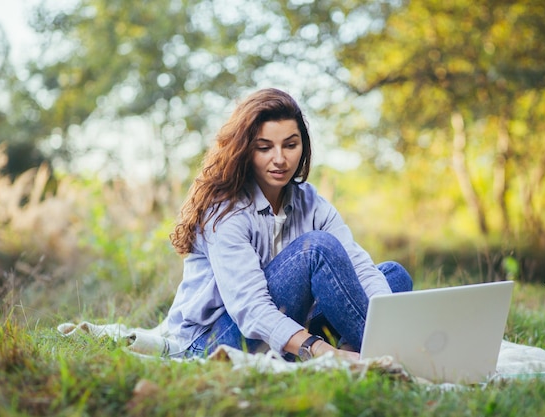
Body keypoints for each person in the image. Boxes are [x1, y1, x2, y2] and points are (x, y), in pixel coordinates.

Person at [166, 88, 412, 361]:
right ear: (245, 151)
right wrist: (321, 350)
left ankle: (355, 354)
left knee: (391, 276)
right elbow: (252, 309)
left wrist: (351, 341)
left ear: (302, 147)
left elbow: (360, 268)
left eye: (290, 145)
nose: (280, 159)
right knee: (316, 249)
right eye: (264, 147)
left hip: (288, 323)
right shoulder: (226, 212)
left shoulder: (311, 202)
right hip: (213, 340)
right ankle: (393, 354)